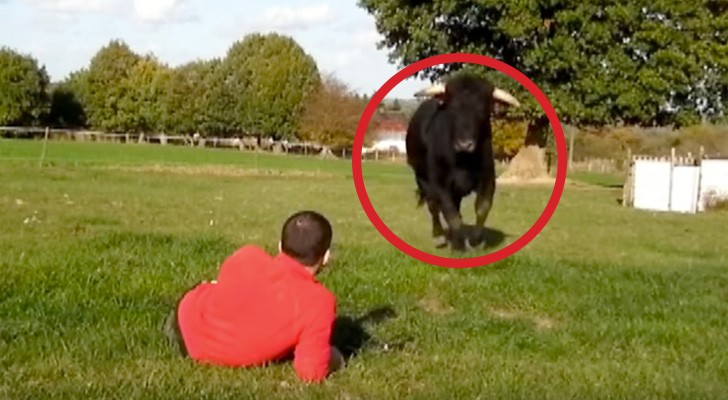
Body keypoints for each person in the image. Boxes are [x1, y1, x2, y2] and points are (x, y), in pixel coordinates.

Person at [164, 210, 344, 383]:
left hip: (185, 322)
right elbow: (311, 373)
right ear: (326, 257)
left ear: (280, 245)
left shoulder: (248, 256)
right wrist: (335, 357)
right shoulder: (319, 302)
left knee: (213, 287)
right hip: (224, 351)